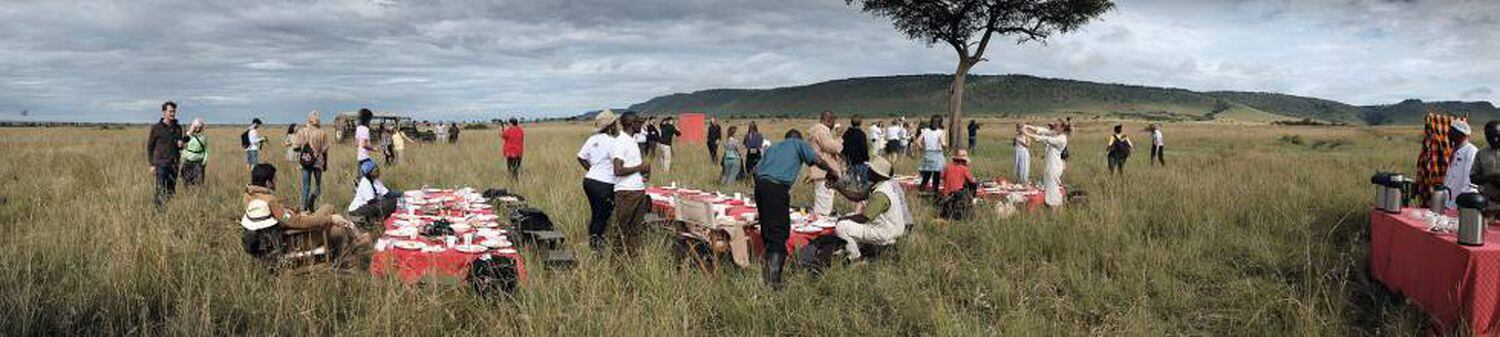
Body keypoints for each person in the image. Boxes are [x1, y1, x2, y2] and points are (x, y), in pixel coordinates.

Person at [754, 129, 841, 290]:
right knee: (779, 235)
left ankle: (767, 275)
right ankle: (773, 285)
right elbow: (817, 160)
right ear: (798, 139)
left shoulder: (773, 147)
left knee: (768, 231)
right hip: (776, 188)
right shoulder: (799, 143)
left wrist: (762, 186)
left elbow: (756, 169)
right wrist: (831, 171)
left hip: (761, 187)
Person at [241, 163, 369, 267]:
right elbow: (295, 222)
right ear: (268, 182)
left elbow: (282, 217)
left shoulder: (249, 195)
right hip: (296, 239)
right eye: (275, 179)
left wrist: (295, 212)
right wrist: (330, 219)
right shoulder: (269, 201)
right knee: (336, 226)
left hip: (287, 228)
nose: (277, 181)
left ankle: (353, 239)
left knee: (329, 207)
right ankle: (346, 254)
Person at [828, 157, 911, 261]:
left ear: (878, 174)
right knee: (850, 217)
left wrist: (844, 219)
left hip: (885, 231)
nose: (867, 171)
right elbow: (858, 196)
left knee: (841, 226)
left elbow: (864, 218)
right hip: (890, 227)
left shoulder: (881, 194)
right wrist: (839, 188)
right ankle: (859, 248)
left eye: (871, 170)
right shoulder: (882, 185)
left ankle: (855, 257)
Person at [610, 112, 653, 258]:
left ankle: (632, 259)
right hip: (626, 193)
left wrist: (644, 173)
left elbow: (632, 167)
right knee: (622, 230)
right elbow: (617, 170)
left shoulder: (631, 140)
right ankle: (617, 263)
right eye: (639, 122)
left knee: (636, 229)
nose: (641, 125)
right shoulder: (621, 142)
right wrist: (639, 168)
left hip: (637, 190)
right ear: (632, 124)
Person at [578, 110, 620, 251]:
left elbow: (581, 157)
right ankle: (597, 248)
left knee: (596, 213)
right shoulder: (613, 142)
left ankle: (593, 243)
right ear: (611, 125)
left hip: (589, 182)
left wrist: (591, 170)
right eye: (615, 123)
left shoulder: (592, 139)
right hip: (605, 184)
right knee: (602, 217)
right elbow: (618, 165)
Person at [146, 101, 184, 210]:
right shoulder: (156, 128)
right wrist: (152, 164)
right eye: (170, 111)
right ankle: (159, 213)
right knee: (161, 189)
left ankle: (169, 210)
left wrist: (181, 145)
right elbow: (150, 147)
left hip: (174, 164)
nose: (173, 114)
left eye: (174, 112)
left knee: (171, 190)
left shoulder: (178, 128)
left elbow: (179, 146)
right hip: (161, 164)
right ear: (163, 112)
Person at [807, 111, 845, 217]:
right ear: (829, 120)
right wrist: (839, 137)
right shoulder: (821, 131)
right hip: (825, 172)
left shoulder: (817, 130)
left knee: (823, 200)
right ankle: (820, 228)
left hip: (821, 171)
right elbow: (832, 147)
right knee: (824, 205)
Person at [1024, 123, 1071, 208]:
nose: (1054, 128)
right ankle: (1053, 208)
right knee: (1050, 189)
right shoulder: (1056, 135)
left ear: (1062, 129)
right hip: (1051, 166)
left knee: (1053, 191)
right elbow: (1041, 130)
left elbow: (1044, 138)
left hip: (1054, 167)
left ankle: (1056, 210)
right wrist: (1027, 126)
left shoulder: (1061, 139)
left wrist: (1027, 134)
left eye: (1056, 126)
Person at [296, 111, 331, 212]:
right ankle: (311, 201)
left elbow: (295, 147)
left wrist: (304, 150)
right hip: (318, 162)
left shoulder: (301, 131)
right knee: (318, 187)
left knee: (306, 186)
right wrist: (325, 163)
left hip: (305, 162)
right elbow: (325, 150)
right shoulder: (322, 132)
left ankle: (303, 208)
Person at [1445, 120, 1478, 209]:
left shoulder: (1471, 151)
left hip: (1461, 203)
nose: (1448, 134)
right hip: (1448, 202)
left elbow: (1469, 180)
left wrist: (1463, 202)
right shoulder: (1454, 150)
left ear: (1461, 134)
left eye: (1452, 132)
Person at [1471, 121, 1500, 216]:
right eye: (1490, 137)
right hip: (1489, 205)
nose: (1495, 140)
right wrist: (1490, 178)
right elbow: (1473, 177)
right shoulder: (1481, 153)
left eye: (1497, 135)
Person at [938, 149, 978, 220]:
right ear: (964, 161)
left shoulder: (947, 167)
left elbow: (941, 177)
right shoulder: (964, 169)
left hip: (945, 197)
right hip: (957, 198)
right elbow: (972, 182)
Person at [917, 116, 948, 193]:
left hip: (927, 153)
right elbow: (943, 143)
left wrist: (922, 149)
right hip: (937, 154)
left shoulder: (925, 131)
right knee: (936, 175)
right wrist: (946, 148)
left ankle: (921, 189)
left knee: (927, 174)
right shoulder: (940, 132)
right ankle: (935, 191)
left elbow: (918, 141)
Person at [842, 117, 870, 188]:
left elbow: (844, 148)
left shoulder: (846, 134)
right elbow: (864, 148)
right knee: (863, 184)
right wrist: (866, 159)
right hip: (860, 162)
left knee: (851, 184)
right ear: (860, 123)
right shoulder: (861, 134)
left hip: (849, 161)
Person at [180, 118, 209, 187]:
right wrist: (190, 132)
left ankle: (196, 195)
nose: (198, 129)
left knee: (198, 183)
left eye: (199, 127)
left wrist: (204, 161)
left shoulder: (203, 138)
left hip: (198, 162)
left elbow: (206, 150)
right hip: (188, 161)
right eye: (196, 127)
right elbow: (183, 144)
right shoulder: (188, 136)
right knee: (186, 182)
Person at [354, 109, 377, 179]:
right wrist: (373, 148)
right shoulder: (365, 129)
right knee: (369, 177)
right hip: (365, 157)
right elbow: (364, 144)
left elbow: (356, 143)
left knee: (360, 178)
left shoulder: (358, 128)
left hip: (359, 157)